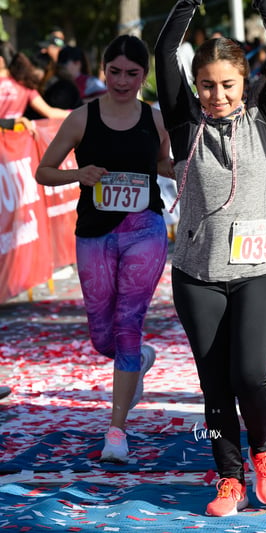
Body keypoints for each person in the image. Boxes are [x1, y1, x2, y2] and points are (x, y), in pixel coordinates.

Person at [155, 0, 266, 517]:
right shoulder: (186, 124)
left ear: (246, 84)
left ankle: (264, 452)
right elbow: (165, 53)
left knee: (249, 377)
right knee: (215, 387)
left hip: (259, 271)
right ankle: (229, 478)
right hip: (198, 274)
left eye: (227, 84)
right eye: (207, 85)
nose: (216, 94)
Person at [35, 34, 173, 464]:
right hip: (94, 233)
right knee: (102, 335)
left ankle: (117, 432)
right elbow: (43, 171)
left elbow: (165, 165)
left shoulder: (155, 119)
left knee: (129, 322)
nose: (122, 81)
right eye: (115, 71)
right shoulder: (81, 118)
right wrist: (80, 174)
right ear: (103, 69)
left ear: (144, 76)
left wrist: (194, 164)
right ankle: (138, 362)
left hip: (145, 230)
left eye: (132, 73)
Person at [0, 41, 69, 129]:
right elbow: (50, 112)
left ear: (1, 60)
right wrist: (78, 113)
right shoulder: (25, 84)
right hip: (17, 139)